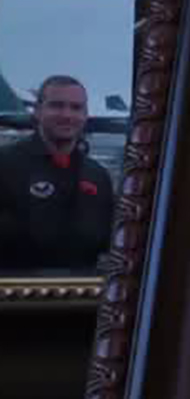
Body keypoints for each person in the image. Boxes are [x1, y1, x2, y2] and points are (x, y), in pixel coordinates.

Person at [0, 75, 116, 273]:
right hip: (14, 298)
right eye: (56, 106)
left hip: (83, 297)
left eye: (76, 108)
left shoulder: (98, 176)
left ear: (85, 115)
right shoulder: (5, 165)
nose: (67, 115)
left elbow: (109, 244)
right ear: (37, 111)